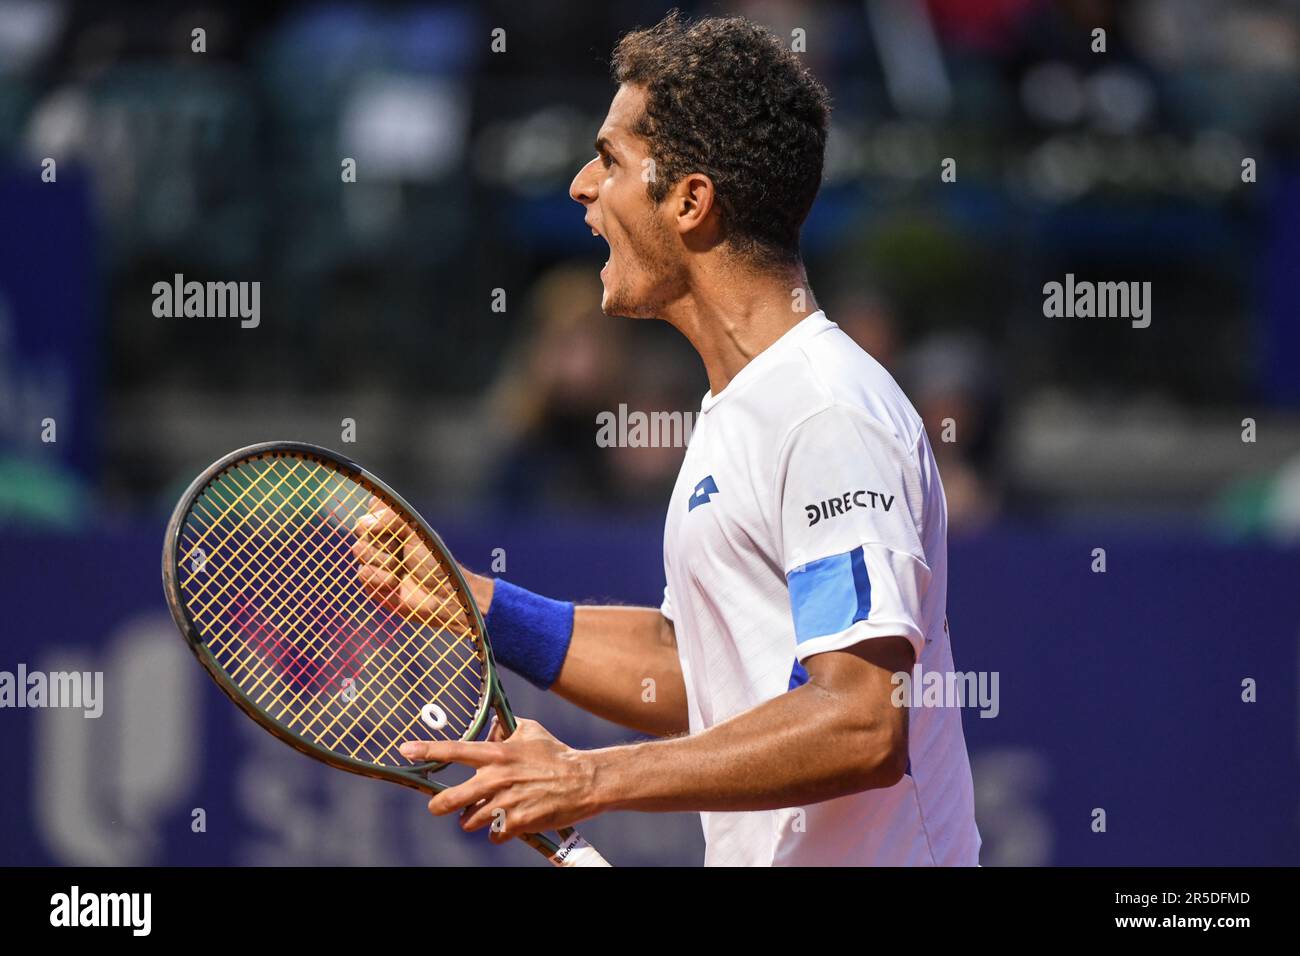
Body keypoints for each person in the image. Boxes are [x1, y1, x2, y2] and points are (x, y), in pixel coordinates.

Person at [354, 11, 980, 866]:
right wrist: (480, 605)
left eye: (609, 160)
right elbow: (703, 670)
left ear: (690, 200)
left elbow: (863, 721)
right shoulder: (741, 407)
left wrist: (589, 780)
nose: (580, 185)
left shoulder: (826, 412)